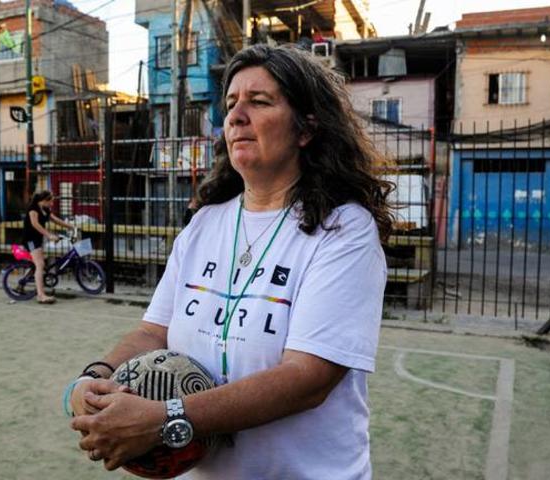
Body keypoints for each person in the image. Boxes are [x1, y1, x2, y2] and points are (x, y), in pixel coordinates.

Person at [67, 44, 394, 479]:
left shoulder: (343, 228)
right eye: (231, 104)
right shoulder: (205, 223)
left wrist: (165, 419)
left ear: (307, 128)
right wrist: (93, 382)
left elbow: (307, 378)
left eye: (259, 102)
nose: (237, 116)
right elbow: (153, 330)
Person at [21, 190, 74, 304]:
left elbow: (56, 220)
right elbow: (35, 224)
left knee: (37, 263)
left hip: (38, 239)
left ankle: (20, 284)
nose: (52, 203)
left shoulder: (45, 210)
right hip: (30, 239)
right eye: (51, 201)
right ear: (44, 200)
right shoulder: (33, 210)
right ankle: (41, 295)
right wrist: (49, 235)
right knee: (40, 264)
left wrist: (71, 227)